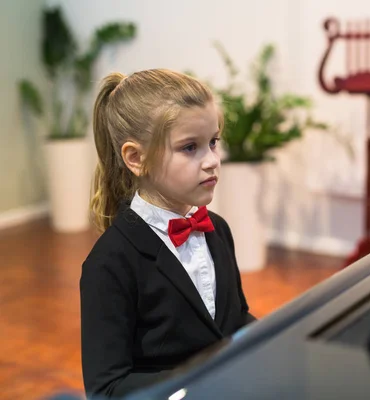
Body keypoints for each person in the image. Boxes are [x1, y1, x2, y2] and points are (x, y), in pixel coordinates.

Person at [80, 69, 256, 398]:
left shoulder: (218, 229)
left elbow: (235, 319)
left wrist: (270, 338)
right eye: (190, 148)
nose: (212, 161)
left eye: (213, 142)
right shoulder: (109, 264)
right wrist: (199, 380)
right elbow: (106, 388)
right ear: (136, 158)